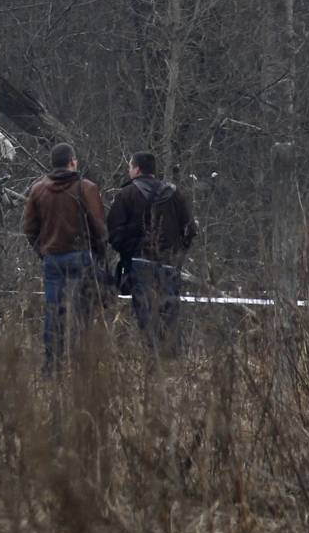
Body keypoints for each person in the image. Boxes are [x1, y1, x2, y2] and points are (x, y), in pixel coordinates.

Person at [22, 143, 108, 371]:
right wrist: (99, 254)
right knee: (83, 312)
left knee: (54, 312)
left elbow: (29, 228)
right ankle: (82, 364)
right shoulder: (86, 188)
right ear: (72, 161)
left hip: (52, 259)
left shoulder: (38, 189)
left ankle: (52, 365)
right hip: (81, 256)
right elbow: (99, 227)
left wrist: (43, 250)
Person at [107, 151, 196, 354]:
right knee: (169, 316)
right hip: (169, 264)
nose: (129, 171)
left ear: (136, 169)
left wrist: (127, 253)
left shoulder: (126, 194)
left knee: (146, 318)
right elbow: (190, 229)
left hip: (140, 263)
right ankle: (172, 365)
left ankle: (152, 365)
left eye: (130, 167)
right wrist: (178, 252)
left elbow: (113, 231)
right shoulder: (175, 194)